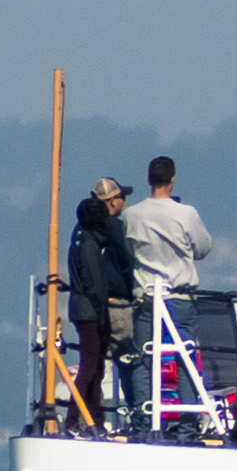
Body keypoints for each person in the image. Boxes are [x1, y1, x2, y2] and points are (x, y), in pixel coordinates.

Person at [124, 156, 213, 413]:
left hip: (146, 297)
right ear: (172, 179)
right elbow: (203, 248)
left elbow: (130, 250)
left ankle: (143, 419)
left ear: (148, 179)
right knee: (185, 358)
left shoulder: (132, 215)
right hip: (180, 296)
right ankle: (188, 424)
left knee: (143, 358)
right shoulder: (186, 214)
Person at [63, 180, 136, 427]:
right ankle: (75, 420)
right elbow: (99, 278)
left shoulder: (79, 235)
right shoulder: (100, 237)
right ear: (111, 202)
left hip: (81, 307)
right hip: (96, 309)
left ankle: (94, 420)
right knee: (97, 367)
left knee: (94, 367)